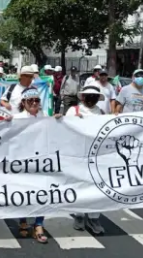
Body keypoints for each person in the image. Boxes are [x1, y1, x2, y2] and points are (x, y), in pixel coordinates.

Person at [57, 84, 105, 234]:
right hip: (77, 154)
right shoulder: (73, 110)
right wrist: (62, 119)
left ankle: (93, 218)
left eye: (94, 96)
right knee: (79, 184)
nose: (91, 99)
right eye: (88, 96)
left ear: (98, 98)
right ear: (83, 97)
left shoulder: (102, 113)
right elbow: (64, 129)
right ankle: (79, 215)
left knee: (96, 186)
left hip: (95, 155)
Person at [4, 87, 48, 243]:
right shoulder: (17, 117)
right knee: (24, 192)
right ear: (23, 102)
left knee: (42, 192)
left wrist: (59, 120)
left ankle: (38, 225)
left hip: (41, 161)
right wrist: (6, 123)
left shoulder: (45, 117)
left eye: (37, 100)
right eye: (30, 100)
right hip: (22, 161)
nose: (34, 103)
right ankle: (23, 221)